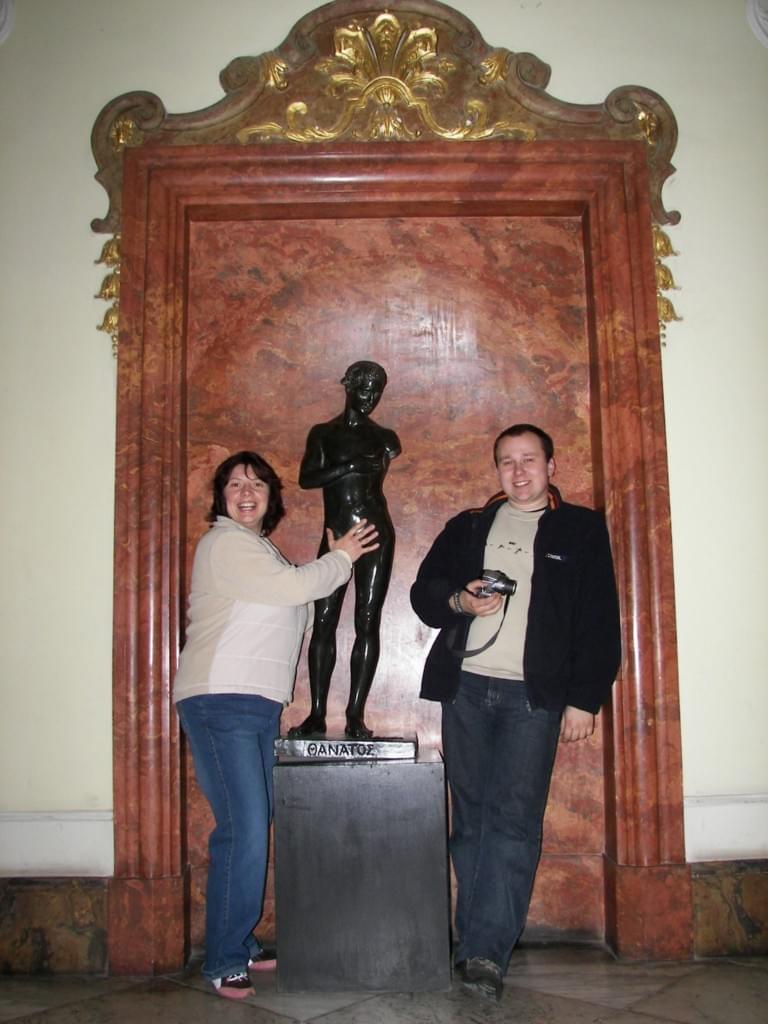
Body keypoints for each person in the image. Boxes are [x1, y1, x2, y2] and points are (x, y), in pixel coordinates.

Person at [410, 424, 620, 1001]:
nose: (519, 471)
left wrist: (584, 699)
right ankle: (475, 945)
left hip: (533, 698)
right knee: (471, 821)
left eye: (530, 459)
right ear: (497, 470)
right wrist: (460, 599)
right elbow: (424, 594)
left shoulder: (580, 529)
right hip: (466, 690)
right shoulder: (469, 526)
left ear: (552, 466)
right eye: (507, 461)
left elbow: (599, 620)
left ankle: (484, 951)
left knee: (514, 822)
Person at [172, 451, 379, 1000]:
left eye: (257, 484)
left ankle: (237, 942)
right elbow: (293, 591)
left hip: (254, 703)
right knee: (242, 829)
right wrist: (341, 556)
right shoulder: (224, 543)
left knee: (250, 824)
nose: (247, 492)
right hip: (222, 700)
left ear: (272, 498)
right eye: (235, 485)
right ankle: (223, 959)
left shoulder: (261, 552)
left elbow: (296, 601)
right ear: (221, 498)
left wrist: (326, 572)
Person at [289, 360, 401, 739]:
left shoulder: (385, 438)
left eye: (376, 392)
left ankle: (355, 715)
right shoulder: (324, 433)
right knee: (324, 620)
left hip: (374, 532)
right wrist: (349, 466)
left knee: (367, 620)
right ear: (348, 387)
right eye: (364, 390)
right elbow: (307, 478)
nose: (370, 398)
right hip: (336, 535)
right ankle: (317, 713)